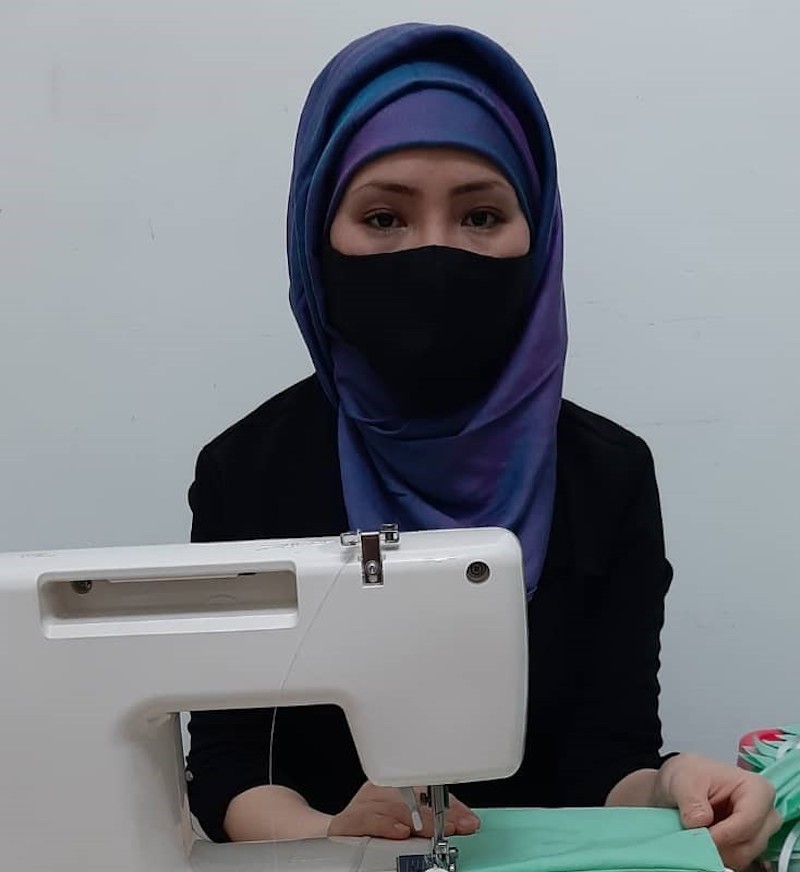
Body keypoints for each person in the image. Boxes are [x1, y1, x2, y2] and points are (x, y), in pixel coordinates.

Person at [185, 22, 780, 870]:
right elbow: (231, 765)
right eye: (384, 216)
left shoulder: (606, 476)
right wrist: (327, 833)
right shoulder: (250, 469)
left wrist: (683, 787)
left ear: (536, 240)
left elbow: (609, 764)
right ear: (318, 238)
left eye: (482, 215)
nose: (435, 252)